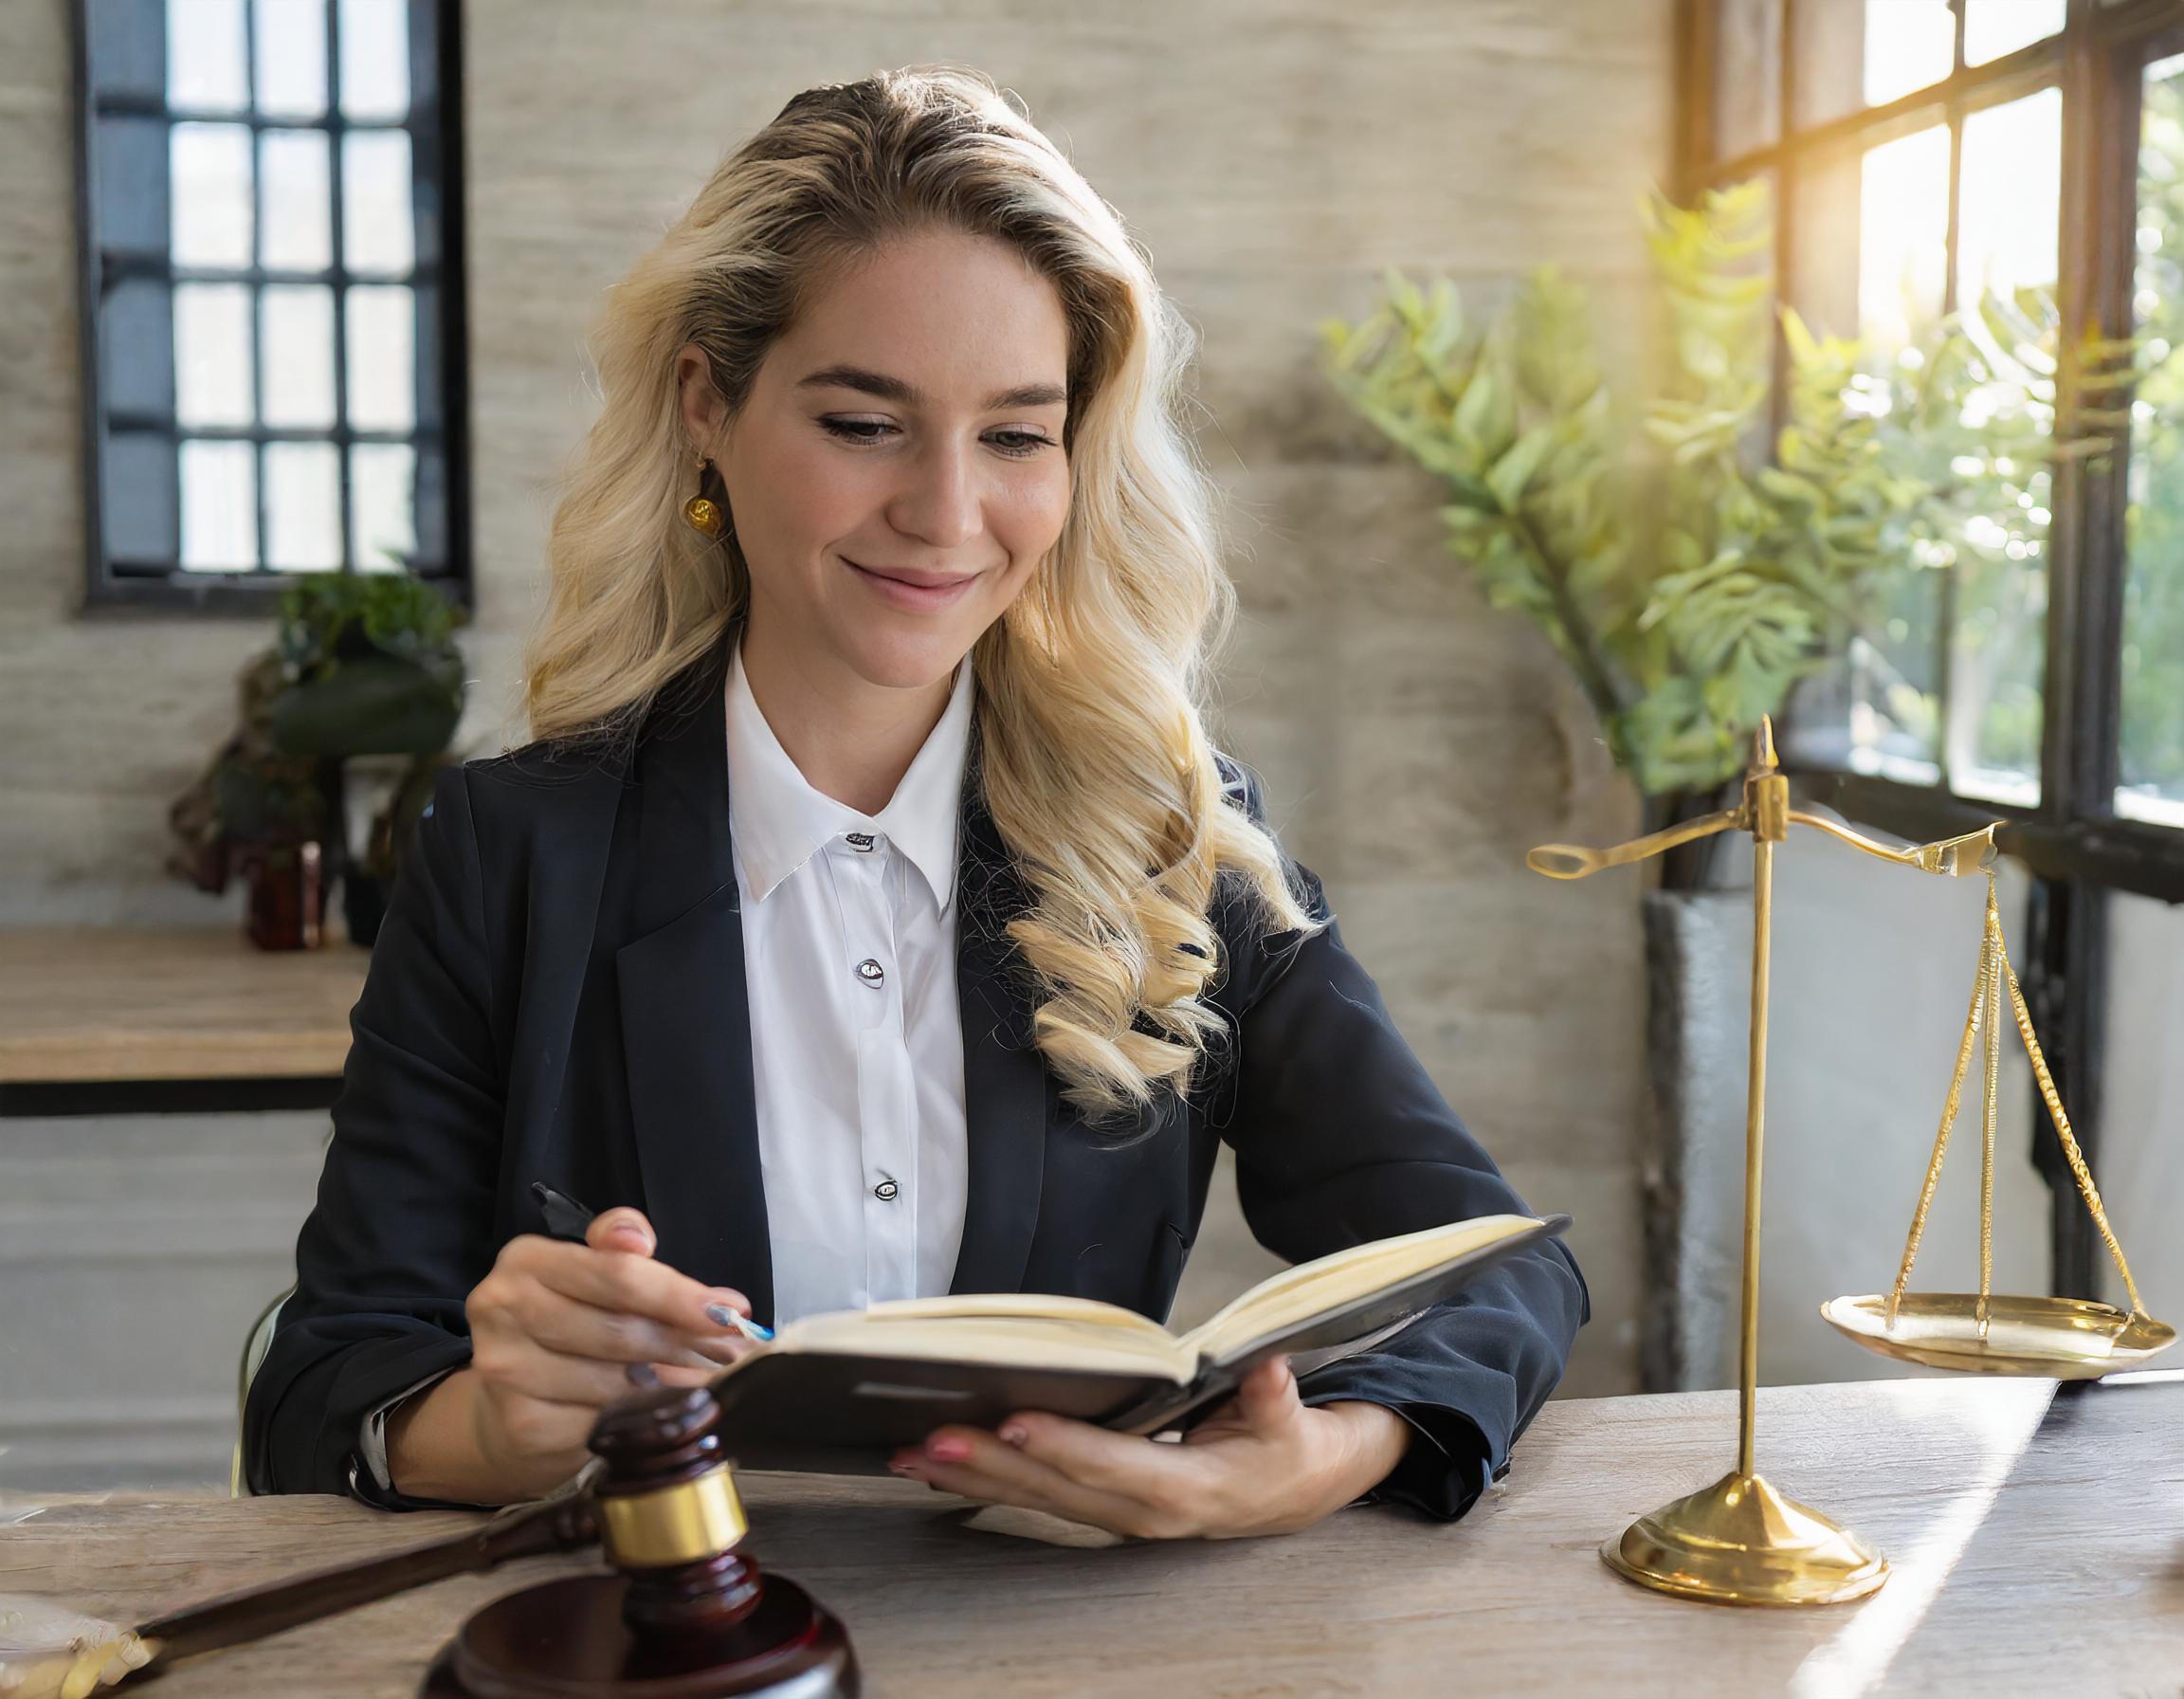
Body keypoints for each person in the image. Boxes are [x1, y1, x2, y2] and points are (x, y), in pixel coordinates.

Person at [243, 65, 1587, 1541]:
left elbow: (1499, 1263)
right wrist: (502, 1424)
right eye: (864, 424)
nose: (949, 517)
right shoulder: (511, 852)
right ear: (708, 403)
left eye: (1016, 436)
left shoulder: (1171, 844)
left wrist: (1313, 1459)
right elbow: (325, 1393)